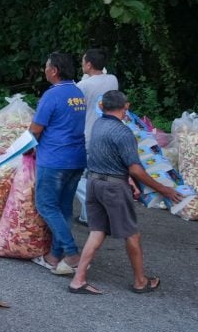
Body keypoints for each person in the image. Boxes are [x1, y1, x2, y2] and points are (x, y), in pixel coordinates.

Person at [68, 90, 186, 295]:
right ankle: (140, 281)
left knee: (97, 231)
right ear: (126, 107)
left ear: (102, 107)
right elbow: (135, 169)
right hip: (113, 188)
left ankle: (78, 280)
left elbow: (111, 158)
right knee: (132, 234)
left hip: (94, 183)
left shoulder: (98, 124)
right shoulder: (123, 132)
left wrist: (129, 180)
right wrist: (164, 189)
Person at [29, 52, 87, 276]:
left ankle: (71, 254)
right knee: (63, 208)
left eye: (46, 66)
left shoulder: (52, 95)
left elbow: (36, 128)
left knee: (46, 205)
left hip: (54, 159)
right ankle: (54, 256)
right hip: (76, 158)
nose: (44, 70)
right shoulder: (78, 93)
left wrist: (23, 145)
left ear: (54, 71)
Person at [75, 48, 120, 223]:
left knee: (76, 177)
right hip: (107, 134)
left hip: (88, 136)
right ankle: (87, 216)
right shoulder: (112, 80)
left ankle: (96, 211)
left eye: (83, 62)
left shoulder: (83, 86)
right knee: (94, 176)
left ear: (88, 65)